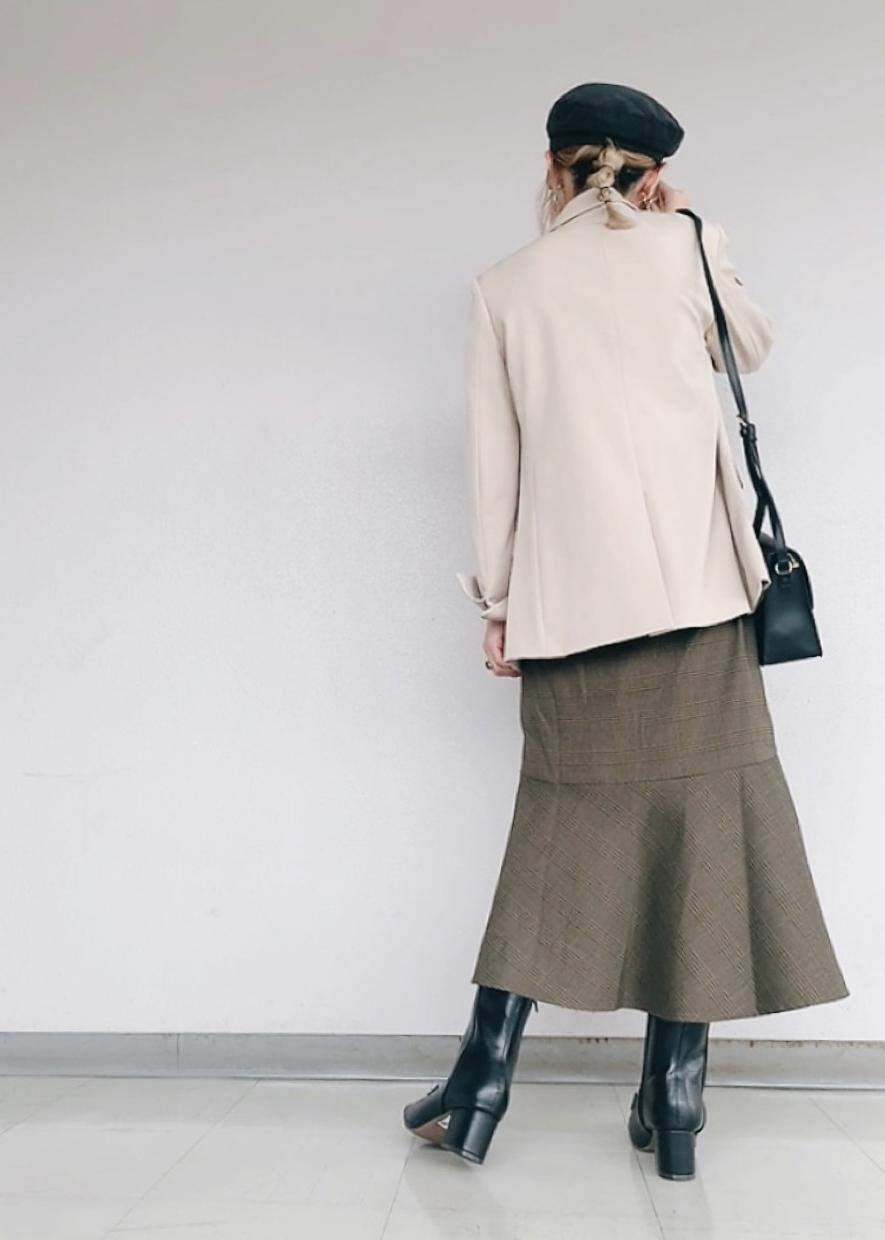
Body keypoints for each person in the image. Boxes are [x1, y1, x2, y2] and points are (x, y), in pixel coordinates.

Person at [403, 81, 849, 1180]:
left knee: (556, 830)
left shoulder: (505, 286)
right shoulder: (685, 248)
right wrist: (694, 232)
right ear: (654, 175)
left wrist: (499, 604)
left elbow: (496, 467)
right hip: (701, 593)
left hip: (572, 606)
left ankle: (482, 1081)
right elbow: (753, 348)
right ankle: (675, 1097)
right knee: (703, 824)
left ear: (553, 167)